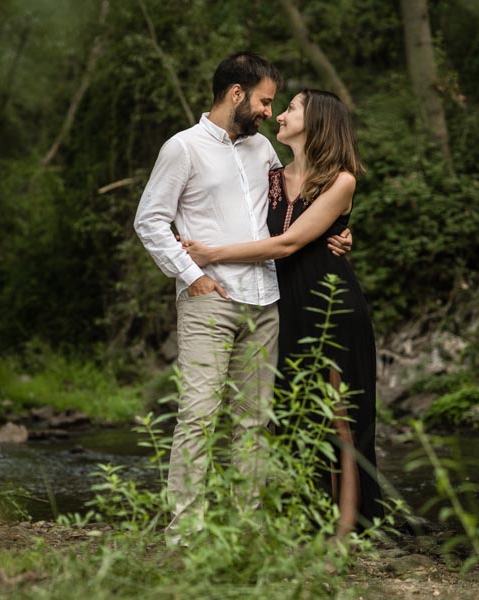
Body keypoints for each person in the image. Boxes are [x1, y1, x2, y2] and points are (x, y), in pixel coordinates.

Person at [133, 52, 351, 538]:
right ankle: (185, 531)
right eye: (264, 102)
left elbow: (297, 206)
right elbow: (149, 221)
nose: (269, 114)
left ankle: (245, 529)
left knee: (254, 421)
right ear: (236, 94)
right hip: (209, 299)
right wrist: (193, 275)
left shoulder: (263, 152)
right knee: (199, 415)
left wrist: (339, 231)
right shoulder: (182, 148)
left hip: (267, 301)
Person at [182, 89, 384, 537]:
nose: (281, 114)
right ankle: (305, 521)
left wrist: (213, 254)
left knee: (340, 419)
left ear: (316, 121)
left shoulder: (341, 180)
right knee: (296, 414)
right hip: (282, 303)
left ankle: (344, 534)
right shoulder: (273, 172)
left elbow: (289, 242)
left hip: (331, 302)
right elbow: (244, 218)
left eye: (291, 108)